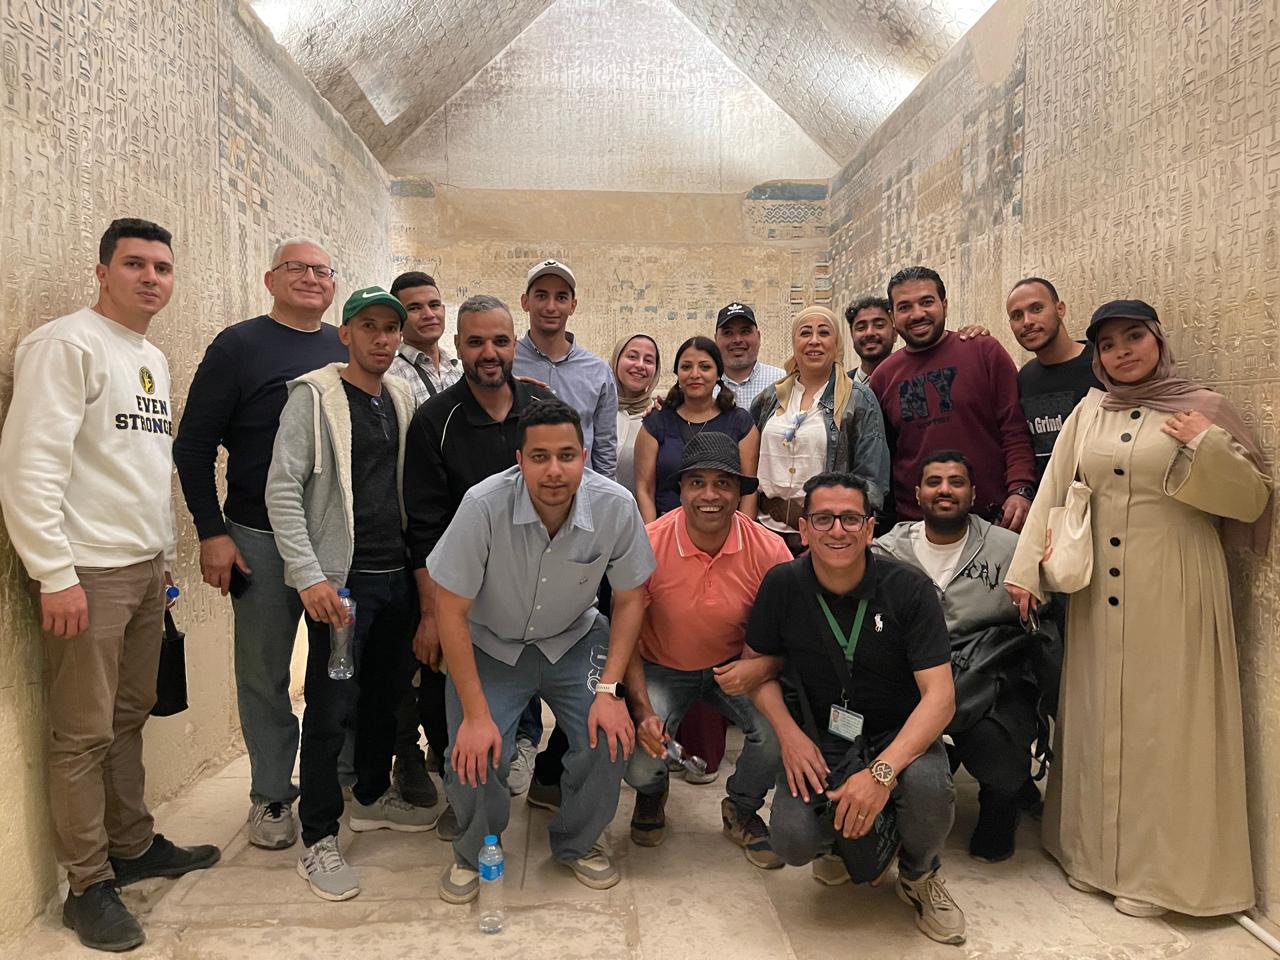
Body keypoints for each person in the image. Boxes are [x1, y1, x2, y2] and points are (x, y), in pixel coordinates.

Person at [1006, 300, 1273, 919]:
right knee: (1099, 717)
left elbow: (1251, 501)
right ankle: (1092, 858)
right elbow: (1053, 492)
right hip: (1099, 593)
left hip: (1174, 585)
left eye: (1134, 338)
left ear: (1157, 341)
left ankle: (1160, 878)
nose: (1122, 352)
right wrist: (1026, 574)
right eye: (1108, 345)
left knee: (1166, 726)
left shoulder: (1201, 409)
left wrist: (1203, 444)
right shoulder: (1089, 411)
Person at [0, 219, 220, 952]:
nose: (151, 277)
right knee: (81, 733)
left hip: (144, 567)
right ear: (102, 273)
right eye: (134, 264)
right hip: (86, 571)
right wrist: (53, 571)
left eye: (162, 266)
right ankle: (87, 885)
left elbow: (137, 471)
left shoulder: (150, 355)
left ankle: (132, 846)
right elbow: (30, 464)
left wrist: (162, 561)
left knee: (128, 716)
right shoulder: (66, 345)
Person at [427, 400, 656, 903]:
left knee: (608, 737)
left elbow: (630, 598)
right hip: (490, 643)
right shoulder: (482, 506)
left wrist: (610, 691)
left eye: (567, 455)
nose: (554, 470)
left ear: (584, 456)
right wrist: (475, 716)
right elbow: (450, 610)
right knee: (474, 749)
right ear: (519, 459)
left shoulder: (615, 506)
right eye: (539, 457)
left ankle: (579, 842)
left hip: (573, 639)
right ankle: (476, 850)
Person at [174, 237, 346, 850]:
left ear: (333, 285)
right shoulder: (238, 347)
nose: (311, 278)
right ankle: (272, 794)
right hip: (258, 538)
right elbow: (194, 446)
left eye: (321, 270)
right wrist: (212, 532)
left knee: (338, 670)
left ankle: (338, 781)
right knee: (264, 672)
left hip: (334, 541)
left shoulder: (344, 346)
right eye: (296, 268)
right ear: (270, 279)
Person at [745, 472, 965, 945]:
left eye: (850, 518)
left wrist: (881, 774)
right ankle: (840, 846)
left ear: (869, 528)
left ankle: (920, 873)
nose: (837, 530)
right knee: (792, 840)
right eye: (823, 519)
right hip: (821, 736)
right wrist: (790, 737)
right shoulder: (783, 584)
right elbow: (756, 673)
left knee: (928, 786)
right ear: (804, 529)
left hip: (898, 732)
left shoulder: (909, 589)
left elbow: (940, 697)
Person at [265, 286, 432, 901]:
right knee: (332, 707)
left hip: (396, 576)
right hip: (343, 585)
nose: (381, 339)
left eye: (391, 328)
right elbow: (283, 489)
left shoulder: (400, 396)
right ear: (346, 333)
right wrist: (310, 576)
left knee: (386, 699)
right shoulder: (313, 397)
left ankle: (369, 796)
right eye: (369, 327)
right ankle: (318, 835)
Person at [403, 295, 557, 828]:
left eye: (500, 340)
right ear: (458, 346)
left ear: (515, 345)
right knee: (450, 693)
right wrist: (431, 613)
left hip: (531, 586)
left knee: (525, 681)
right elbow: (424, 525)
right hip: (460, 593)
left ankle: (520, 752)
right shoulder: (434, 421)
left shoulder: (542, 408)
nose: (489, 352)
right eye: (475, 342)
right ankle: (462, 794)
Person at [873, 451, 1050, 863]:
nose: (945, 490)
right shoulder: (886, 553)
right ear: (917, 493)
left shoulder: (1010, 548)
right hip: (911, 681)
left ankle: (1002, 801)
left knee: (997, 749)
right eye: (934, 482)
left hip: (987, 680)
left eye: (956, 482)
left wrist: (1036, 590)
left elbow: (1045, 613)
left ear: (973, 494)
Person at [623, 433, 791, 866]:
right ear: (680, 489)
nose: (710, 495)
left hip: (736, 667)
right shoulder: (647, 543)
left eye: (723, 483)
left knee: (775, 732)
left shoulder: (769, 549)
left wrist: (761, 668)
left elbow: (795, 635)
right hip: (660, 666)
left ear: (739, 492)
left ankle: (742, 806)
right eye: (697, 482)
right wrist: (642, 711)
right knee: (640, 759)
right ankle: (652, 791)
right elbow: (625, 638)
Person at [870, 266, 1036, 530]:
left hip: (995, 522)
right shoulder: (883, 377)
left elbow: (1014, 429)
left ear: (944, 305)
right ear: (892, 316)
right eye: (904, 307)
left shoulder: (983, 351)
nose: (917, 314)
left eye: (926, 302)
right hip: (915, 530)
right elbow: (882, 460)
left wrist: (1020, 489)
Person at [750, 305, 891, 553]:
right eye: (805, 333)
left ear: (836, 343)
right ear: (794, 342)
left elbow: (871, 479)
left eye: (824, 333)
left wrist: (839, 531)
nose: (814, 341)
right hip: (765, 534)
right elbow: (748, 465)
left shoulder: (858, 400)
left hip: (826, 535)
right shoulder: (769, 398)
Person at [634, 336, 758, 521]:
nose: (695, 374)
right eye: (686, 367)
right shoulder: (656, 422)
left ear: (718, 374)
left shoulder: (740, 423)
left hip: (725, 527)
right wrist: (652, 534)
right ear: (677, 373)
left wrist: (743, 533)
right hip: (668, 527)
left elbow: (749, 492)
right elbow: (645, 490)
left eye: (705, 367)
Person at [514, 259, 618, 477]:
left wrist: (604, 493)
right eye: (541, 296)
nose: (551, 307)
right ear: (525, 302)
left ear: (573, 305)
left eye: (561, 297)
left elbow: (605, 448)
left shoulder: (598, 371)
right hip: (519, 489)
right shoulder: (507, 363)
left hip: (581, 490)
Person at [1005, 277, 1103, 480]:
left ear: (1060, 309)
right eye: (1017, 315)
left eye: (1036, 308)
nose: (1027, 321)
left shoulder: (1102, 363)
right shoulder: (1024, 378)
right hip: (1046, 497)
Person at [387, 270, 461, 405]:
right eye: (414, 308)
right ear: (397, 319)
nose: (429, 314)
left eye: (434, 305)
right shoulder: (390, 377)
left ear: (443, 310)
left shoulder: (459, 371)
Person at [611, 334, 660, 494]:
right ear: (616, 360)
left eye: (649, 360)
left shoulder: (658, 417)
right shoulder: (597, 410)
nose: (640, 365)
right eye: (632, 357)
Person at [714, 302, 785, 408]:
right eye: (728, 333)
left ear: (759, 337)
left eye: (745, 331)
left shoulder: (782, 382)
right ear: (716, 339)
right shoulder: (703, 387)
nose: (737, 340)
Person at [846, 295, 896, 384]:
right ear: (852, 335)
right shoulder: (839, 387)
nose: (869, 333)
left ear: (895, 333)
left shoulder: (913, 380)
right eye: (861, 327)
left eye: (879, 325)